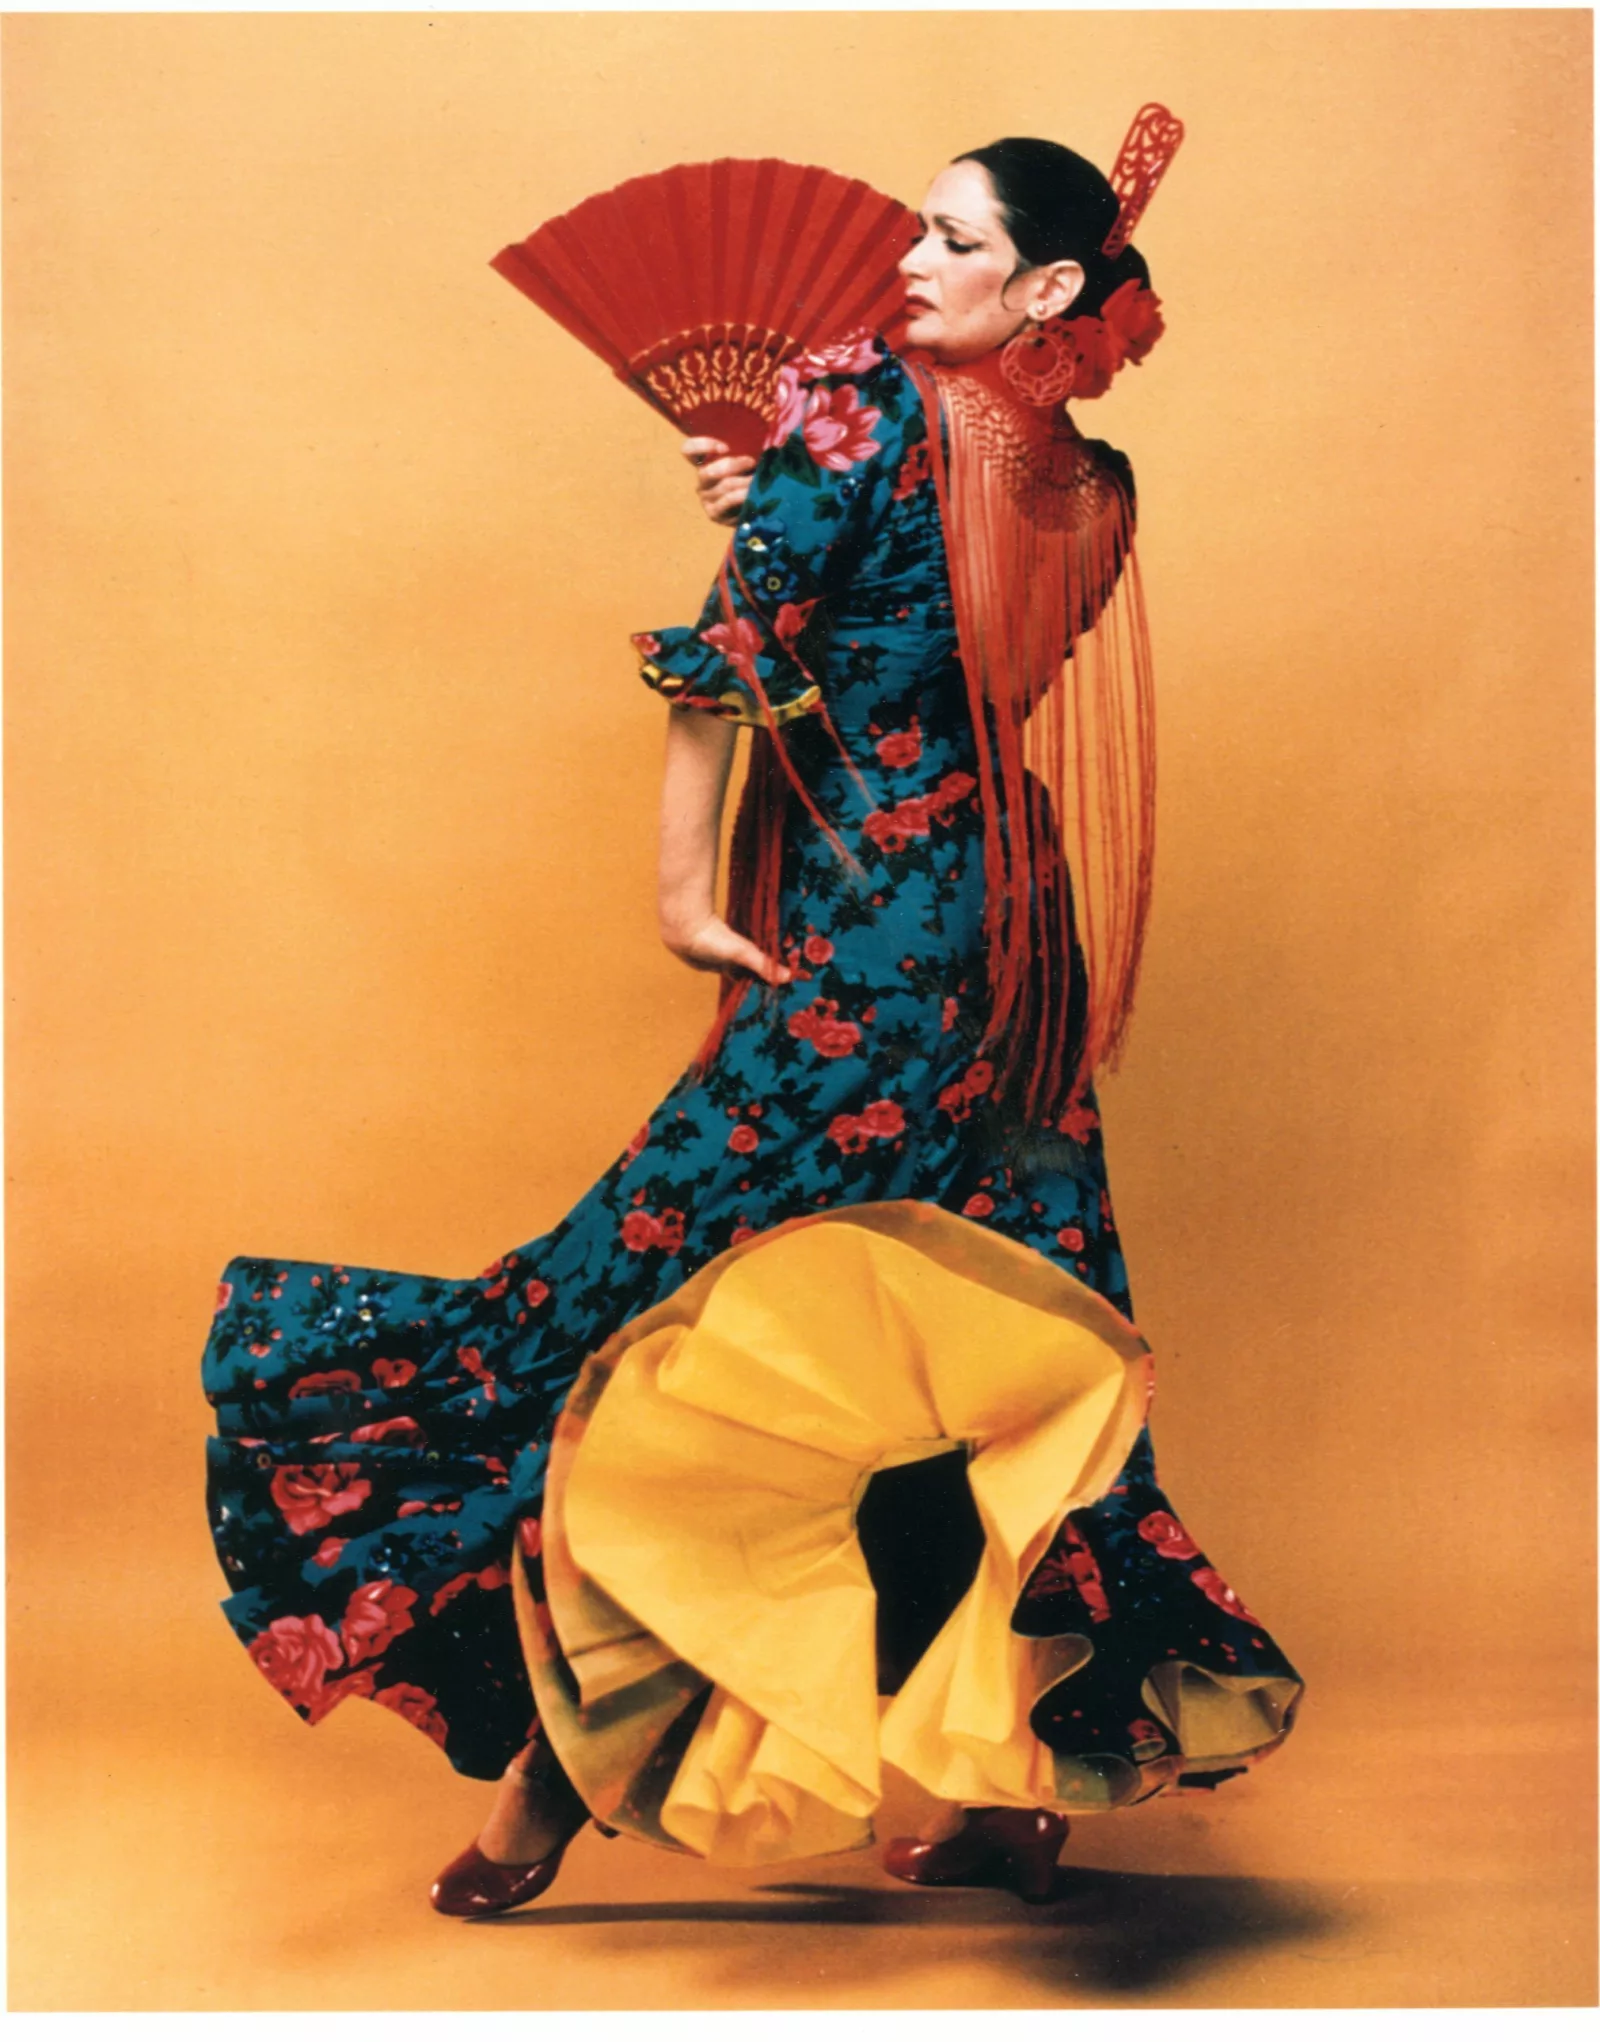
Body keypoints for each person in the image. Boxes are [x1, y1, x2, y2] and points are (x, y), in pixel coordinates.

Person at [204, 136, 1301, 1921]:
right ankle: (983, 1787)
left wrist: (679, 888)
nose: (905, 263)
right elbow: (938, 665)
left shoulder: (862, 412)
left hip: (862, 944)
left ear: (1043, 291)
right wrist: (777, 497)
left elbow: (743, 672)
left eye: (951, 240)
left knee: (661, 1339)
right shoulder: (1091, 486)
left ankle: (543, 1802)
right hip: (1010, 942)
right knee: (978, 1353)